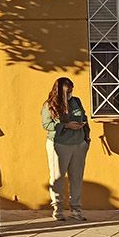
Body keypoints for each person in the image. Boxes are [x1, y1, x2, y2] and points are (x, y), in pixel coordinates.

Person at [42, 77, 90, 221]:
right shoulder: (49, 105)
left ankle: (76, 209)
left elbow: (84, 115)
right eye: (67, 90)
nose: (70, 93)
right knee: (57, 177)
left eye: (71, 90)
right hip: (59, 144)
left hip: (78, 143)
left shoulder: (76, 101)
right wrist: (66, 125)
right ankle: (58, 208)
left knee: (76, 178)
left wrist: (84, 130)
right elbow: (46, 125)